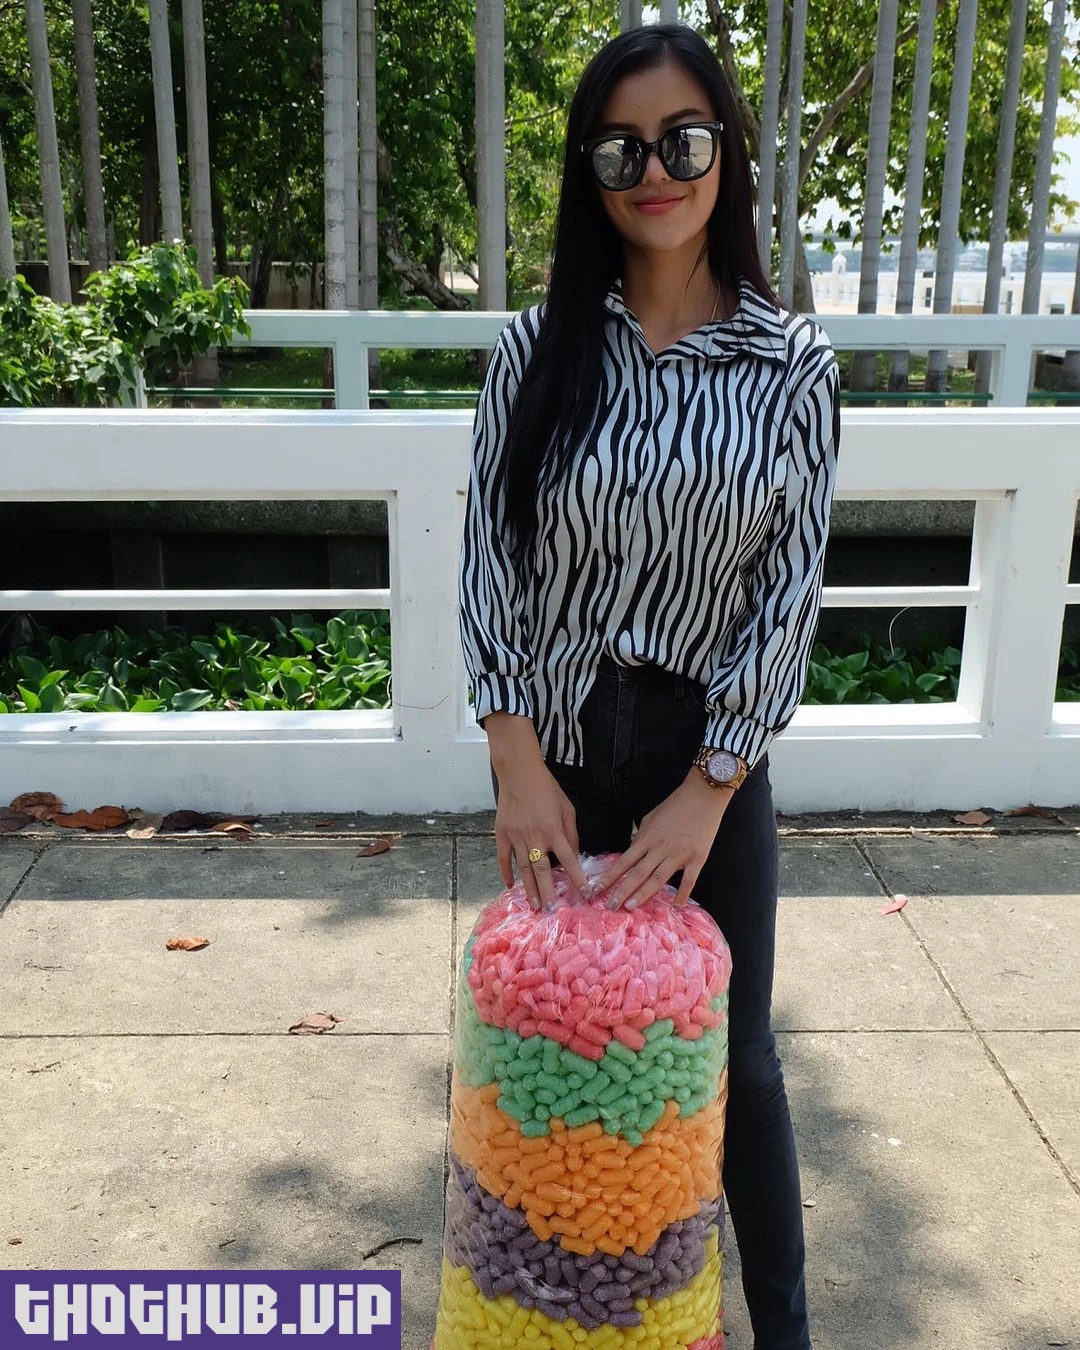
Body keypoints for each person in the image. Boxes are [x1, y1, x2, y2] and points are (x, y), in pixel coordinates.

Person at [458, 21, 840, 1350]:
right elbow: (488, 558)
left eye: (682, 138)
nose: (655, 172)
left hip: (702, 758)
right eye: (620, 149)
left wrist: (711, 788)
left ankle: (782, 1330)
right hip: (556, 750)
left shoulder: (791, 369)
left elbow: (788, 592)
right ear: (591, 172)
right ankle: (557, 1319)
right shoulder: (535, 351)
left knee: (736, 1056)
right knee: (546, 1048)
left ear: (726, 150)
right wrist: (514, 760)